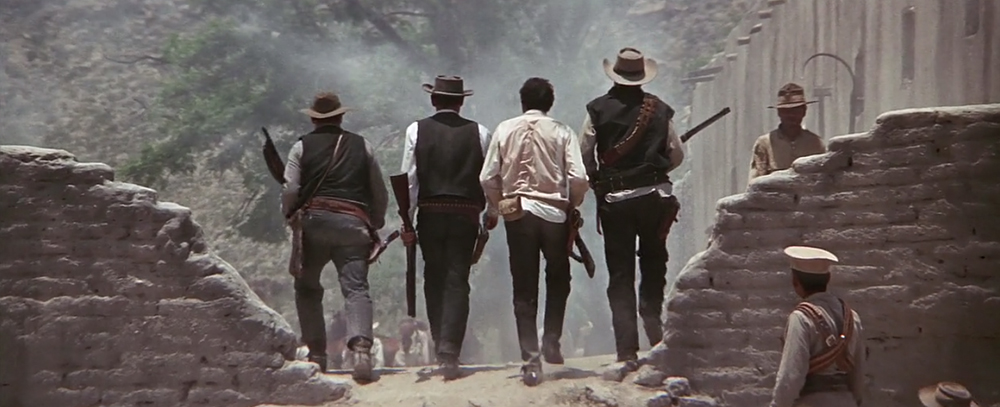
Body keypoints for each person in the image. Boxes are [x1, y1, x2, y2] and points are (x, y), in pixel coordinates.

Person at [480, 77, 589, 386]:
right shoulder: (563, 131)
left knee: (524, 287)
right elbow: (579, 178)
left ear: (522, 101)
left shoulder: (504, 129)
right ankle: (552, 338)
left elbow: (487, 177)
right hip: (554, 214)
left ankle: (530, 361)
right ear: (549, 103)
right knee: (559, 276)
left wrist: (499, 205)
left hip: (517, 214)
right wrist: (572, 204)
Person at [580, 47, 684, 367]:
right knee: (653, 262)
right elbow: (676, 154)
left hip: (615, 202)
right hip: (655, 199)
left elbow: (585, 152)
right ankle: (652, 321)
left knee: (620, 274)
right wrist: (655, 168)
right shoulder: (660, 109)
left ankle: (626, 349)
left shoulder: (597, 109)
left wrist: (597, 178)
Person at [281, 92, 388, 382]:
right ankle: (362, 350)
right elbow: (378, 190)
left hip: (314, 224)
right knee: (356, 288)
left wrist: (289, 214)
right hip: (354, 225)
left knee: (306, 288)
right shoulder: (362, 145)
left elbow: (290, 188)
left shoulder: (300, 147)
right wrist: (376, 221)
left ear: (314, 119)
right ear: (341, 117)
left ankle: (317, 355)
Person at [398, 75, 493, 380]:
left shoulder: (416, 130)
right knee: (457, 280)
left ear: (433, 100)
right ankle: (450, 351)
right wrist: (490, 213)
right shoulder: (480, 132)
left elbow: (409, 180)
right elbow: (488, 178)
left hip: (430, 214)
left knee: (434, 278)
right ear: (461, 102)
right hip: (466, 216)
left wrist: (407, 220)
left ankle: (441, 346)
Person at [769, 246, 865, 407]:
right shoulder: (852, 317)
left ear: (795, 282)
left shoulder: (801, 318)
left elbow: (791, 375)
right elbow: (858, 375)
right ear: (828, 278)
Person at [748, 83, 827, 183]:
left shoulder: (815, 143)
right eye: (786, 111)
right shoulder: (765, 144)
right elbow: (755, 183)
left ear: (804, 111)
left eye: (796, 111)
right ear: (779, 113)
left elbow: (824, 180)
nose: (791, 116)